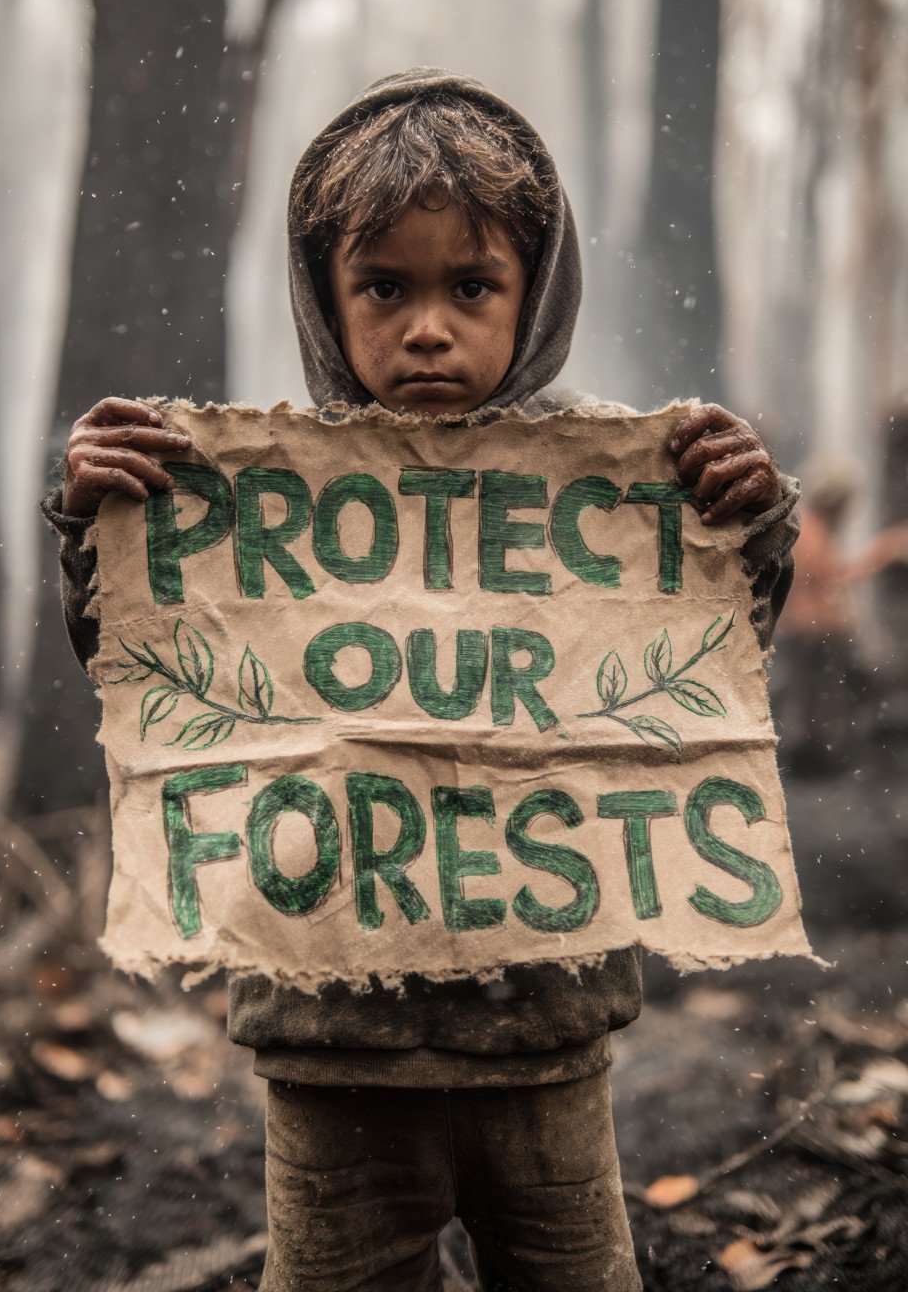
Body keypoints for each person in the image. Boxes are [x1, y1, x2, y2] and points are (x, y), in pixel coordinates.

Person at [42, 68, 800, 1292]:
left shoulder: (607, 487)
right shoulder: (241, 495)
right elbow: (156, 683)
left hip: (545, 1039)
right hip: (332, 1054)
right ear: (323, 295)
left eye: (473, 286)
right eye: (384, 287)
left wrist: (744, 528)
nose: (428, 327)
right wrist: (99, 529)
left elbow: (705, 674)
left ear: (536, 293)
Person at [773, 454, 908, 775]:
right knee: (816, 700)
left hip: (813, 634)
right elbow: (829, 577)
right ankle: (813, 762)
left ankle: (815, 758)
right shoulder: (812, 530)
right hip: (811, 633)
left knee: (816, 698)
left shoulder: (809, 526)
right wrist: (882, 551)